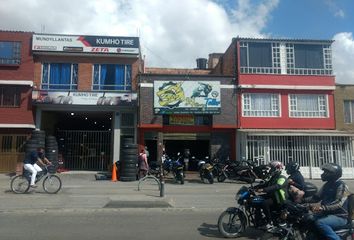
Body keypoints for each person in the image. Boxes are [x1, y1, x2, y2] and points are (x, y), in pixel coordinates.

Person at [303, 163, 349, 240]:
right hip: (327, 213)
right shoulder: (327, 185)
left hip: (339, 216)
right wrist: (302, 200)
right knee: (307, 218)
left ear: (334, 174)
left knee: (320, 223)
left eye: (326, 172)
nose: (323, 174)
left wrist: (322, 208)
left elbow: (339, 203)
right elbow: (316, 198)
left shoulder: (341, 185)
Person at [256, 160, 288, 230]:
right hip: (272, 196)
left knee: (265, 203)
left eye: (272, 168)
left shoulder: (282, 177)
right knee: (256, 199)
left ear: (277, 168)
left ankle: (269, 223)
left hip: (279, 199)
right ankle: (259, 219)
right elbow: (266, 184)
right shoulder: (274, 177)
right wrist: (255, 187)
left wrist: (264, 190)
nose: (270, 169)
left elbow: (277, 186)